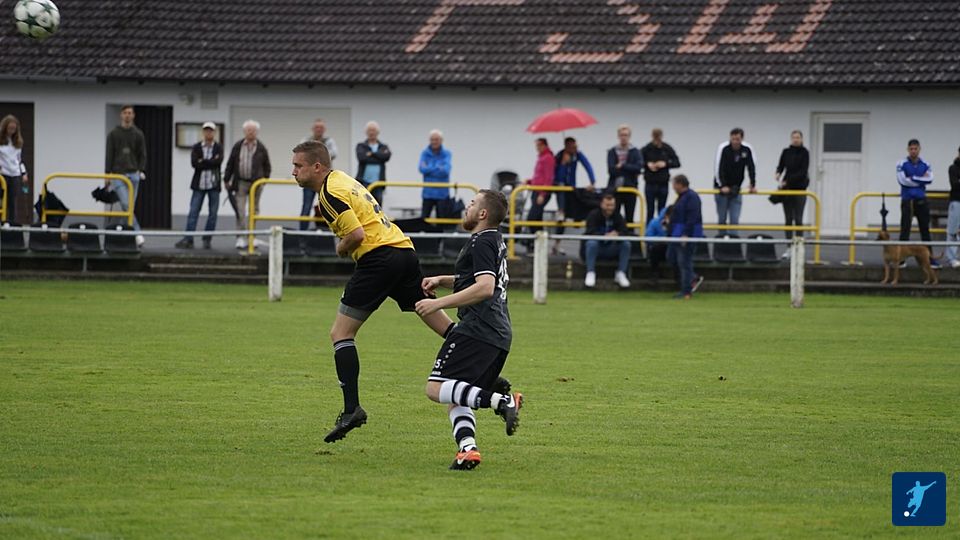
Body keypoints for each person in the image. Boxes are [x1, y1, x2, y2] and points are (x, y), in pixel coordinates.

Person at [290, 140, 458, 444]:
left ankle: (351, 410)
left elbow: (356, 234)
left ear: (316, 167)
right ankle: (486, 370)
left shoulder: (328, 194)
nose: (293, 172)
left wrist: (341, 248)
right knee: (435, 317)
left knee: (341, 334)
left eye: (298, 166)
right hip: (403, 250)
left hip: (378, 259)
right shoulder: (343, 179)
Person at [414, 190, 522, 470]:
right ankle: (468, 450)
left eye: (472, 203)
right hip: (496, 333)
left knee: (435, 388)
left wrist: (438, 303)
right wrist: (442, 279)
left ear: (483, 214)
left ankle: (502, 401)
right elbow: (478, 280)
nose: (467, 206)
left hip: (478, 329)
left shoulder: (481, 241)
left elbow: (484, 288)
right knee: (456, 393)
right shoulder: (494, 240)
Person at [224, 119, 271, 250]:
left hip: (256, 183)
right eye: (248, 130)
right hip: (241, 183)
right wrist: (226, 179)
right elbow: (230, 163)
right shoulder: (238, 146)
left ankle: (252, 236)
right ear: (244, 131)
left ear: (257, 132)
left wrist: (265, 180)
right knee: (240, 210)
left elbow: (267, 165)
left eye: (253, 130)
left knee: (254, 211)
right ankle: (241, 237)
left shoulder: (261, 147)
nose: (251, 132)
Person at [176, 122, 223, 249]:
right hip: (199, 184)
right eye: (206, 130)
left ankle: (207, 239)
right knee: (193, 211)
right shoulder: (197, 147)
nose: (208, 133)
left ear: (214, 133)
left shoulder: (218, 147)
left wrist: (203, 161)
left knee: (213, 214)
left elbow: (218, 162)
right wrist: (210, 161)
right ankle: (188, 238)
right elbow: (194, 163)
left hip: (213, 184)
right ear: (203, 132)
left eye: (211, 131)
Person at [105, 105, 147, 245]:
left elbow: (142, 154)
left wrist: (140, 170)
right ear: (121, 115)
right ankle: (137, 233)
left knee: (128, 208)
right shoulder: (113, 134)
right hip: (118, 175)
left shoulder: (138, 134)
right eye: (125, 113)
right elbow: (109, 154)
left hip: (133, 174)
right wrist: (107, 174)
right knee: (125, 204)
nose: (127, 115)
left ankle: (122, 236)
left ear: (133, 115)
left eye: (130, 113)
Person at [896, 139, 938, 267]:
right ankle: (901, 259)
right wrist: (920, 180)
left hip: (921, 201)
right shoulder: (901, 163)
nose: (913, 151)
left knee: (925, 230)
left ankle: (930, 259)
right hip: (907, 201)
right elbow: (902, 180)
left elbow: (930, 179)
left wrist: (913, 178)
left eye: (915, 149)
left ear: (919, 149)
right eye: (911, 149)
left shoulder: (926, 163)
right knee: (905, 229)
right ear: (908, 150)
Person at [554, 137, 596, 253]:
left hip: (572, 187)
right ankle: (561, 212)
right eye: (571, 147)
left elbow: (587, 165)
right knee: (562, 217)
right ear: (566, 147)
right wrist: (563, 164)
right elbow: (558, 176)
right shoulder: (560, 156)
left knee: (576, 205)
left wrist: (592, 181)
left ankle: (576, 218)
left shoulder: (577, 155)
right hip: (560, 187)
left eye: (575, 146)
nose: (574, 149)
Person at [583, 193, 631, 289]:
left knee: (626, 244)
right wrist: (604, 236)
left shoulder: (618, 216)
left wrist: (617, 234)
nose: (610, 208)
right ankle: (590, 272)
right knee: (591, 243)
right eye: (607, 205)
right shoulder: (593, 215)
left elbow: (625, 231)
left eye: (612, 205)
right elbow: (590, 232)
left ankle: (621, 273)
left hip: (611, 247)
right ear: (601, 204)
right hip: (597, 248)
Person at [668, 175, 704, 300]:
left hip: (686, 234)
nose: (673, 187)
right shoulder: (682, 197)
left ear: (680, 184)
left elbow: (692, 217)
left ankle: (686, 291)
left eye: (674, 184)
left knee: (684, 262)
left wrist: (686, 233)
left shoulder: (691, 197)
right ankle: (692, 278)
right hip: (678, 233)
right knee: (672, 257)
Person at [775, 130, 810, 256]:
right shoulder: (786, 152)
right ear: (791, 139)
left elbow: (803, 171)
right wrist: (778, 173)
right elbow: (781, 165)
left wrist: (788, 180)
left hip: (799, 188)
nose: (796, 139)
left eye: (798, 137)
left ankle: (799, 247)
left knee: (798, 219)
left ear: (802, 139)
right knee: (788, 219)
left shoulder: (805, 153)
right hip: (787, 189)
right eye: (794, 137)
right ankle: (789, 247)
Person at [299, 119, 338, 231]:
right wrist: (321, 154)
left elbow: (334, 153)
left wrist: (312, 155)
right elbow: (300, 154)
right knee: (306, 206)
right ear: (313, 129)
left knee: (327, 206)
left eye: (321, 127)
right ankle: (302, 233)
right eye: (317, 127)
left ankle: (328, 233)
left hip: (325, 180)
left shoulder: (329, 141)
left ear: (324, 129)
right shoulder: (306, 141)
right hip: (309, 179)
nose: (319, 129)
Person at [714, 128, 757, 226]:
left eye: (737, 139)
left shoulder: (746, 150)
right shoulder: (724, 149)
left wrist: (752, 183)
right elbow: (719, 168)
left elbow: (751, 167)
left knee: (735, 219)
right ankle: (722, 236)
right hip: (721, 187)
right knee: (722, 218)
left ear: (742, 139)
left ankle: (733, 236)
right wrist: (723, 185)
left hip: (736, 187)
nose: (735, 142)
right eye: (733, 139)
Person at [640, 128, 681, 224]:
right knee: (650, 209)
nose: (657, 140)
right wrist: (647, 164)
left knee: (662, 210)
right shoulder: (646, 149)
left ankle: (660, 229)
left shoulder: (667, 148)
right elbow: (638, 162)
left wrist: (665, 164)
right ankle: (649, 229)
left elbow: (677, 163)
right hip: (650, 183)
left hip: (663, 183)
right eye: (655, 137)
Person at [606, 125, 643, 222]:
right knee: (614, 215)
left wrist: (623, 166)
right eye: (622, 135)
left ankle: (629, 231)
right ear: (618, 136)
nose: (623, 137)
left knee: (629, 216)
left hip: (630, 187)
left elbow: (638, 168)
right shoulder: (612, 151)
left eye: (626, 135)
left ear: (629, 136)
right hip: (615, 188)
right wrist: (629, 169)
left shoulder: (635, 151)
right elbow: (611, 170)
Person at [0, 115, 28, 224]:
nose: (12, 131)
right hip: (3, 174)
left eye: (14, 129)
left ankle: (11, 224)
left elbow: (19, 160)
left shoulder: (18, 143)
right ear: (5, 128)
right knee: (2, 199)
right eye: (10, 128)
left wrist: (24, 173)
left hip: (15, 174)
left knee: (12, 201)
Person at [525, 137, 555, 239]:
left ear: (544, 145)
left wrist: (543, 194)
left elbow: (548, 177)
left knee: (532, 218)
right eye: (537, 146)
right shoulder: (541, 157)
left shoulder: (548, 158)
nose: (537, 148)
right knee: (537, 219)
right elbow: (539, 176)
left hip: (541, 192)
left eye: (539, 145)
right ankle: (539, 243)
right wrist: (529, 181)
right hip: (536, 190)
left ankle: (537, 240)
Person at [355, 121, 391, 206]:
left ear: (377, 132)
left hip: (378, 183)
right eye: (369, 130)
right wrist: (379, 157)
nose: (371, 133)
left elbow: (386, 157)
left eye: (373, 130)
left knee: (377, 207)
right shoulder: (361, 146)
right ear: (366, 132)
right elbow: (362, 158)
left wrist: (371, 154)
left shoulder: (383, 146)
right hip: (364, 182)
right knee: (364, 206)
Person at [419, 130, 452, 220]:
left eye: (436, 139)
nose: (434, 142)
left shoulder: (446, 153)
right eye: (432, 139)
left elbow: (445, 171)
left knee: (442, 221)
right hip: (428, 193)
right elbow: (422, 169)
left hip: (442, 194)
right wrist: (438, 166)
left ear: (441, 140)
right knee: (424, 220)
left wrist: (429, 167)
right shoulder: (425, 153)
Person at [645, 205, 672, 280]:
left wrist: (669, 229)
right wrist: (661, 239)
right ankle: (654, 273)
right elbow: (648, 237)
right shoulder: (654, 222)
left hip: (671, 248)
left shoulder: (676, 224)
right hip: (657, 247)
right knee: (655, 249)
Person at [946, 146, 960, 268]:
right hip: (957, 202)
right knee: (953, 230)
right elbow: (955, 184)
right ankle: (952, 258)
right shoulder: (953, 168)